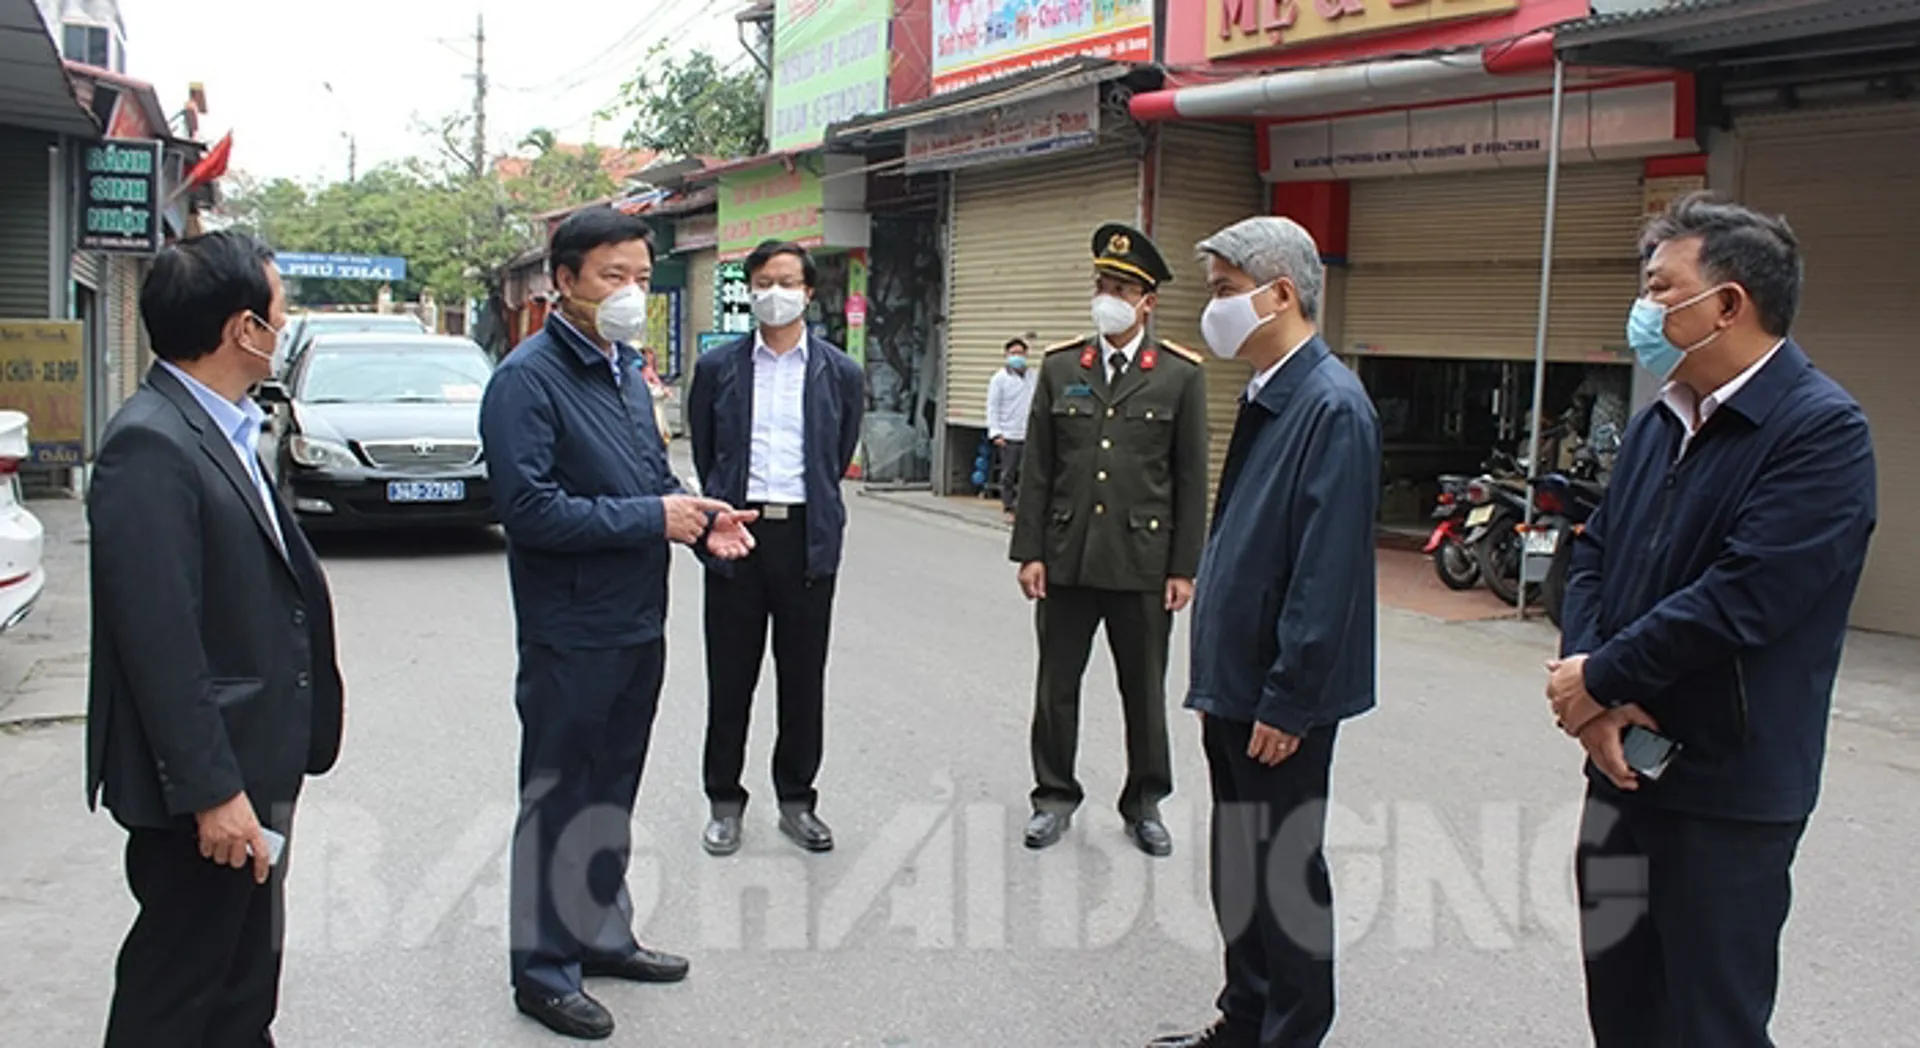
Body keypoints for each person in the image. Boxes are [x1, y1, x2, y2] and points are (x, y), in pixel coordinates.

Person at [1548, 193, 1876, 1047]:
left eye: (1661, 289)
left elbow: (1744, 596)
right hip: (1620, 773)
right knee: (1620, 1006)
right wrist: (1591, 688)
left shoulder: (1821, 433)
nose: (1644, 308)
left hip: (1725, 799)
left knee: (1707, 1022)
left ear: (1728, 303)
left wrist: (1603, 677)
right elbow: (1595, 552)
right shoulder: (1662, 418)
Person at [480, 207, 756, 1041]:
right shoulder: (528, 381)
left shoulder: (622, 371)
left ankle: (599, 933)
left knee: (612, 790)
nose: (632, 292)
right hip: (571, 630)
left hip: (637, 622)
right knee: (561, 795)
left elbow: (651, 480)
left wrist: (705, 525)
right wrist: (653, 519)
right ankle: (542, 970)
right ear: (562, 282)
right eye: (613, 276)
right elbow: (529, 511)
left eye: (641, 277)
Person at [85, 230, 345, 1047]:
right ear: (243, 329)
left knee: (239, 985)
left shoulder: (226, 425)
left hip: (254, 759)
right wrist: (211, 793)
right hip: (209, 787)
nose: (284, 326)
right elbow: (158, 641)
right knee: (178, 994)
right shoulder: (151, 443)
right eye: (278, 312)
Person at [1151, 217, 1379, 1048]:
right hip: (1237, 685)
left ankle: (1291, 1031)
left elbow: (1325, 577)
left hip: (1279, 700)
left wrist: (1289, 699)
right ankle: (1243, 1019)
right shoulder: (1269, 393)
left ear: (1278, 293)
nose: (1211, 308)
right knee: (1242, 868)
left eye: (1222, 291)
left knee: (1285, 874)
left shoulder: (1331, 408)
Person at [1009, 222, 1209, 858]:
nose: (1108, 296)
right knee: (1056, 686)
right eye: (1102, 284)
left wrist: (1184, 567)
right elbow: (1037, 466)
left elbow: (1189, 477)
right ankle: (1053, 796)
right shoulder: (1063, 365)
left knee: (1143, 691)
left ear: (1148, 301)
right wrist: (1030, 552)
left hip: (1142, 563)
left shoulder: (1179, 376)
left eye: (1121, 287)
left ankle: (1145, 801)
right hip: (1067, 557)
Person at [687, 239, 866, 857]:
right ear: (749, 290)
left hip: (805, 542)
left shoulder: (840, 372)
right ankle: (723, 802)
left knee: (801, 679)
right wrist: (717, 524)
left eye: (787, 281)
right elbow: (709, 454)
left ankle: (797, 801)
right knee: (729, 679)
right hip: (737, 536)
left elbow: (836, 456)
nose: (775, 293)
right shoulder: (719, 369)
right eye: (763, 281)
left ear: (809, 292)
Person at [985, 337, 1037, 522]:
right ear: (1006, 355)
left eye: (1020, 353)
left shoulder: (1033, 376)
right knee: (1009, 474)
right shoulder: (999, 379)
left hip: (1029, 433)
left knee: (1028, 473)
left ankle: (1024, 507)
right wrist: (996, 432)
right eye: (1013, 354)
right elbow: (993, 406)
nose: (1017, 357)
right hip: (1008, 434)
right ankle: (1009, 507)